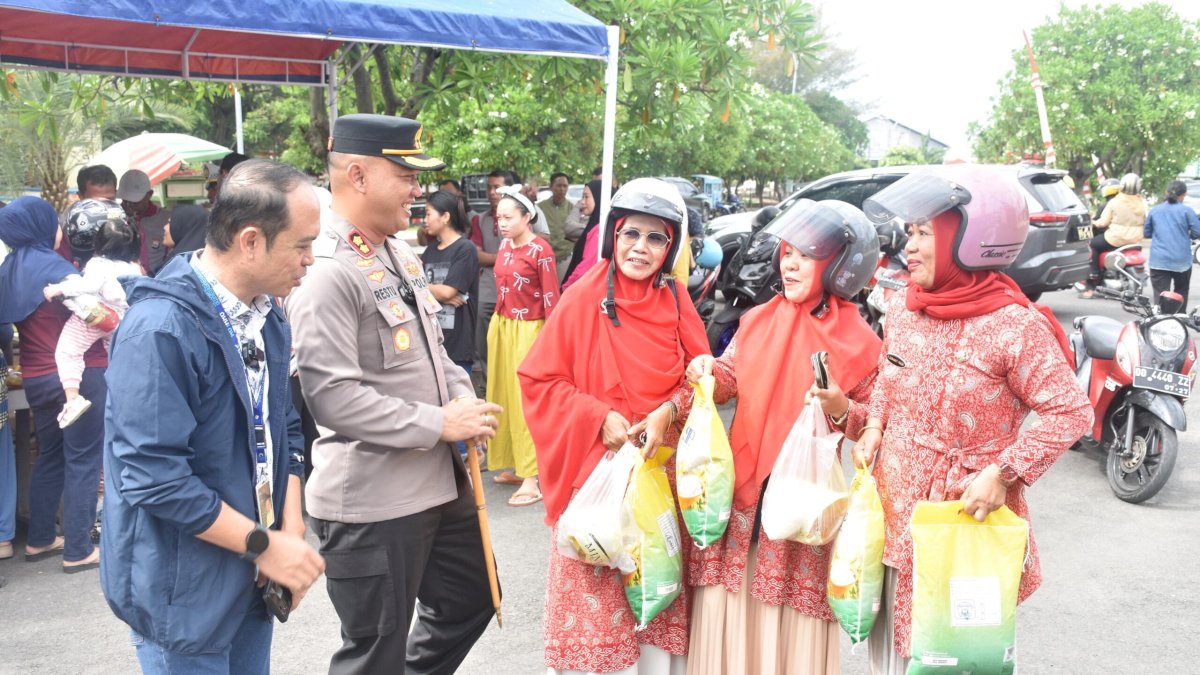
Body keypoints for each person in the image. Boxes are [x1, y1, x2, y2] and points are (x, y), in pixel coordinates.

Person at [854, 165, 1093, 673]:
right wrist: (873, 427)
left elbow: (1070, 411)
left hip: (961, 518)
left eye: (924, 233)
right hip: (892, 511)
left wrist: (1002, 473)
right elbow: (886, 381)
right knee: (892, 656)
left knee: (951, 655)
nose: (909, 247)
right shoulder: (903, 307)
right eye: (911, 232)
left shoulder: (1015, 325)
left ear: (972, 238)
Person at [286, 113, 502, 674]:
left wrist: (462, 400)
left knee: (475, 597)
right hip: (373, 500)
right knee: (374, 653)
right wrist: (440, 424)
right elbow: (331, 397)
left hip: (435, 482)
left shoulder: (397, 251)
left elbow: (435, 351)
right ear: (357, 176)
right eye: (405, 175)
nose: (418, 190)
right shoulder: (327, 269)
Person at [101, 159, 325, 672]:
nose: (311, 259)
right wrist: (262, 543)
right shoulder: (159, 328)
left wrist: (288, 528)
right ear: (250, 241)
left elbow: (285, 425)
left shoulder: (267, 315)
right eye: (301, 244)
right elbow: (153, 477)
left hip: (251, 575)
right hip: (184, 588)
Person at [646, 199, 881, 675]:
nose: (789, 263)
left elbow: (877, 422)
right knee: (730, 611)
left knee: (789, 621)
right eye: (787, 252)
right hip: (740, 490)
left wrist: (842, 409)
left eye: (806, 255)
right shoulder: (756, 319)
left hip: (804, 503)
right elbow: (730, 377)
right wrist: (706, 373)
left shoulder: (861, 340)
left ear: (838, 265)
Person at [520, 177, 709, 674]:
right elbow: (538, 379)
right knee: (597, 626)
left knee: (655, 607)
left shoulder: (674, 299)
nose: (640, 248)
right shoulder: (583, 298)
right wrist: (596, 415)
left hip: (658, 479)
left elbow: (713, 380)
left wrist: (671, 409)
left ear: (671, 249)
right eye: (631, 234)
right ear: (613, 236)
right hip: (597, 481)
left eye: (655, 239)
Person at [0, 197, 106, 572]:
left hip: (35, 377)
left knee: (52, 456)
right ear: (40, 226)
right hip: (77, 376)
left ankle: (42, 539)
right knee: (83, 459)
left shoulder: (7, 270)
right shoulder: (55, 266)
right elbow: (95, 315)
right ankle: (79, 549)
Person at [486, 185, 559, 506]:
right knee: (502, 395)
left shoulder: (541, 250)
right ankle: (516, 463)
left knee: (525, 400)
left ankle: (532, 477)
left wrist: (552, 341)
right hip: (502, 327)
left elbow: (550, 297)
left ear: (527, 217)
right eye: (499, 217)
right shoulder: (504, 246)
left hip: (530, 329)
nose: (501, 222)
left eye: (508, 217)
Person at [45, 200, 142, 427]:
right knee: (115, 357)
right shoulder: (133, 268)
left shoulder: (98, 264)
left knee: (67, 352)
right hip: (120, 320)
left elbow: (86, 286)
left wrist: (59, 289)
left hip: (95, 316)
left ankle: (72, 398)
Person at [421, 188, 480, 449]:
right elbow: (437, 291)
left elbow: (447, 291)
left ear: (445, 217)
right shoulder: (431, 251)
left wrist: (425, 288)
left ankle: (468, 459)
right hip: (433, 336)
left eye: (428, 213)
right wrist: (437, 292)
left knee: (459, 400)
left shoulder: (465, 249)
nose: (424, 219)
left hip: (458, 338)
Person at [469, 169, 514, 385]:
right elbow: (477, 255)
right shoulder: (480, 219)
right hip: (487, 289)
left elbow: (526, 251)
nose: (492, 192)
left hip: (515, 289)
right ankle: (489, 384)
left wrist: (494, 258)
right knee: (485, 340)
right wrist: (507, 257)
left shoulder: (521, 218)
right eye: (489, 187)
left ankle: (510, 386)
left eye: (497, 187)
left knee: (512, 340)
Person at [1081, 173, 1147, 298]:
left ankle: (1094, 274)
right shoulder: (1141, 202)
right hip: (1136, 239)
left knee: (1093, 244)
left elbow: (1103, 222)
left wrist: (1093, 223)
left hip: (1116, 239)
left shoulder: (1115, 202)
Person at [1144, 179, 1200, 307]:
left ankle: (1160, 321)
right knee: (1181, 292)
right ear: (1183, 195)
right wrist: (1187, 236)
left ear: (1166, 192)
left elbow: (1147, 233)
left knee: (1161, 294)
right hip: (1182, 261)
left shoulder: (1154, 210)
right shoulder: (1187, 211)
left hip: (1159, 261)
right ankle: (1180, 318)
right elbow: (1197, 232)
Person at [117, 169, 172, 275]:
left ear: (149, 194)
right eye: (126, 201)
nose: (130, 205)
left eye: (135, 201)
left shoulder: (166, 219)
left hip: (158, 276)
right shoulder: (118, 218)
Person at [560, 179, 603, 289]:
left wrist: (566, 288)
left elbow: (585, 267)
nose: (582, 202)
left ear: (599, 198)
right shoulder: (597, 225)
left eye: (586, 196)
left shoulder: (599, 231)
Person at [540, 172, 575, 265]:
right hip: (544, 257)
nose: (562, 189)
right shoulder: (540, 208)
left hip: (565, 257)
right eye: (559, 186)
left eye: (565, 186)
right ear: (551, 187)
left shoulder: (573, 208)